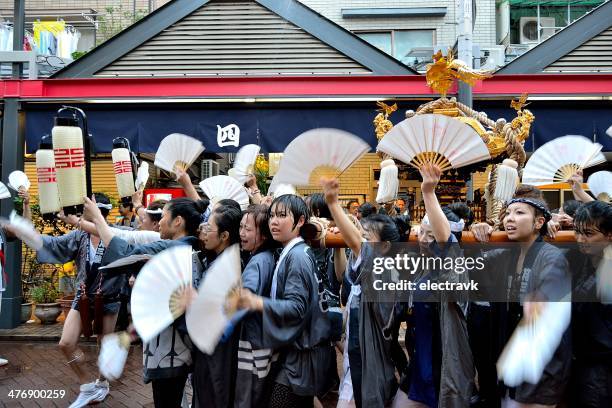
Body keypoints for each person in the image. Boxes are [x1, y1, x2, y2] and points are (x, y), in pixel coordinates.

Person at [86, 196, 209, 408]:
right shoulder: (192, 249)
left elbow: (123, 254)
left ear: (178, 221)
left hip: (167, 352)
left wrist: (97, 217)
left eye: (164, 216)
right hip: (182, 349)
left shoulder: (169, 249)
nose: (159, 221)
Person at [13, 193, 121, 408]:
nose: (81, 214)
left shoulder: (117, 235)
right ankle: (86, 386)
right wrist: (26, 206)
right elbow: (39, 240)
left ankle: (102, 384)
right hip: (82, 298)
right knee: (66, 343)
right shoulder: (79, 236)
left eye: (86, 210)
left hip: (109, 298)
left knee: (105, 346)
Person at [238, 194, 336, 408]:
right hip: (303, 351)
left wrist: (256, 302)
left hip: (302, 356)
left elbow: (296, 307)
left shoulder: (297, 256)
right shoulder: (295, 250)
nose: (274, 221)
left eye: (282, 216)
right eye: (272, 215)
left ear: (300, 221)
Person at [473, 197, 571, 408]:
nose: (510, 218)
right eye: (508, 213)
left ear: (539, 222)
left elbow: (552, 284)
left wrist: (541, 299)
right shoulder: (504, 256)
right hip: (509, 361)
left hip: (542, 365)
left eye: (519, 213)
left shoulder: (551, 256)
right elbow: (471, 266)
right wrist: (477, 229)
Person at [322, 177, 401, 407]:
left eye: (368, 238)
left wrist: (333, 203)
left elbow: (357, 244)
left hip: (369, 358)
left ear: (384, 246)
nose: (361, 243)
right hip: (354, 351)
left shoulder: (386, 272)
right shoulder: (369, 267)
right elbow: (342, 274)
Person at [192, 203, 242, 408]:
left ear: (224, 236)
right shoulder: (215, 260)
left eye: (208, 228)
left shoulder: (228, 268)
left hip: (217, 355)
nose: (202, 232)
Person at [568, 201, 612, 407]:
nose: (580, 239)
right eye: (577, 232)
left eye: (588, 234)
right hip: (581, 357)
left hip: (602, 362)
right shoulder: (580, 259)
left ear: (609, 235)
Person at [234, 204, 278, 407]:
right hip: (264, 341)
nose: (242, 233)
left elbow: (244, 299)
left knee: (248, 398)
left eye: (248, 229)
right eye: (241, 227)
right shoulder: (268, 258)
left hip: (253, 344)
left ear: (265, 236)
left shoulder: (258, 262)